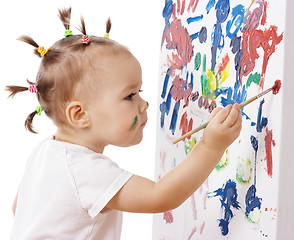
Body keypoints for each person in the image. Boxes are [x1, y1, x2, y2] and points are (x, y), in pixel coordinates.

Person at [7, 7, 242, 240]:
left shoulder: (44, 152)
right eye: (129, 96)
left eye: (138, 91)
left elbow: (20, 208)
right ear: (79, 114)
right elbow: (160, 196)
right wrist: (211, 146)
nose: (144, 104)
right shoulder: (85, 171)